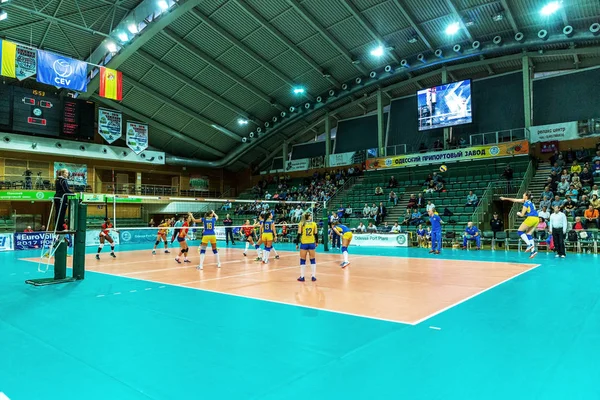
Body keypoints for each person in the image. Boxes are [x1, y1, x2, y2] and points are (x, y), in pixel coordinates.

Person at [500, 192, 539, 258]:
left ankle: (529, 245)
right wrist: (505, 198)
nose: (522, 194)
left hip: (531, 218)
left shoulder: (526, 203)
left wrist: (518, 213)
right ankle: (533, 251)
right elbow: (515, 200)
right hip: (537, 219)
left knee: (519, 231)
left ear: (526, 196)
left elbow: (522, 214)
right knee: (529, 234)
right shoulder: (529, 202)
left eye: (524, 194)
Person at [296, 211, 318, 282]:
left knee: (302, 259)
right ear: (309, 217)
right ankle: (313, 276)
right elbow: (316, 234)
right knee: (312, 259)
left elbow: (299, 234)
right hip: (311, 243)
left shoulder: (301, 224)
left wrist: (297, 243)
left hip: (304, 243)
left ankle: (302, 276)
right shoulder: (314, 224)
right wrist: (316, 242)